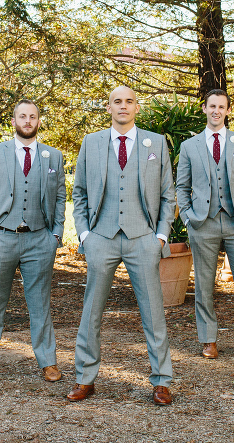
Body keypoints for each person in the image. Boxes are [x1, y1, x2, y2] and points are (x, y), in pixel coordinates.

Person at [67, 85, 176, 406]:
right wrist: (85, 234)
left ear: (136, 108)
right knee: (92, 311)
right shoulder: (92, 142)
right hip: (101, 238)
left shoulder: (155, 143)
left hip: (143, 238)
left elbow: (168, 194)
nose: (123, 106)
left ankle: (161, 381)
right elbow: (80, 193)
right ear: (109, 107)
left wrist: (160, 236)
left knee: (153, 313)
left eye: (129, 101)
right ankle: (85, 378)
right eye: (117, 101)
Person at [0, 100, 67, 383]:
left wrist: (55, 235)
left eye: (32, 116)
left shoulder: (52, 156)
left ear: (38, 121)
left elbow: (60, 197)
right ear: (13, 121)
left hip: (39, 240)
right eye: (22, 116)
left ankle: (48, 362)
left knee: (40, 304)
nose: (27, 120)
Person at [175, 89, 234, 363]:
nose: (216, 111)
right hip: (203, 223)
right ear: (204, 109)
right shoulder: (189, 146)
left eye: (221, 107)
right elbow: (182, 186)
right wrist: (189, 218)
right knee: (204, 285)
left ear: (228, 111)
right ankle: (209, 339)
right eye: (211, 106)